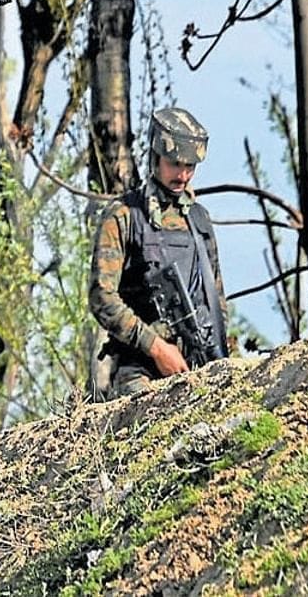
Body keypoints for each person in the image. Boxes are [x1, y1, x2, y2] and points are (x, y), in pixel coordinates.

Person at [89, 107, 230, 398]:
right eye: (175, 163)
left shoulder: (199, 220)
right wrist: (156, 347)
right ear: (155, 157)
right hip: (140, 370)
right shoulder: (125, 216)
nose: (183, 174)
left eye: (190, 166)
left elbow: (217, 300)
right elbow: (102, 297)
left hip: (199, 365)